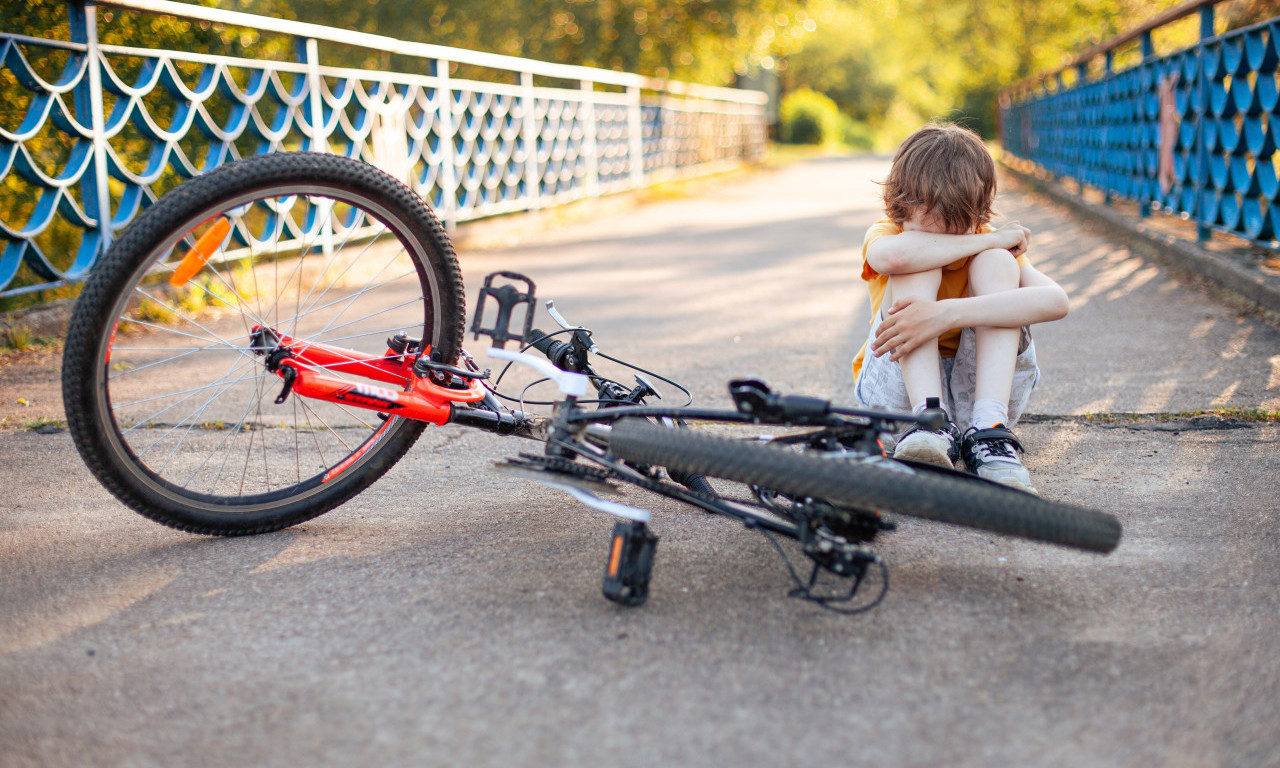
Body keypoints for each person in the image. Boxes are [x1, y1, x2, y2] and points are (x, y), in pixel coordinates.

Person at [852, 122, 1069, 495]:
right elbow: (894, 257)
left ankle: (991, 432)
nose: (946, 242)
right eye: (930, 234)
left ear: (979, 217)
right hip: (900, 393)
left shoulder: (990, 244)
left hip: (984, 396)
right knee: (916, 264)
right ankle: (929, 421)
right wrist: (997, 238)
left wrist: (946, 313)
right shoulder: (889, 233)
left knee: (998, 264)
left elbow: (1056, 301)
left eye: (959, 233)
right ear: (895, 207)